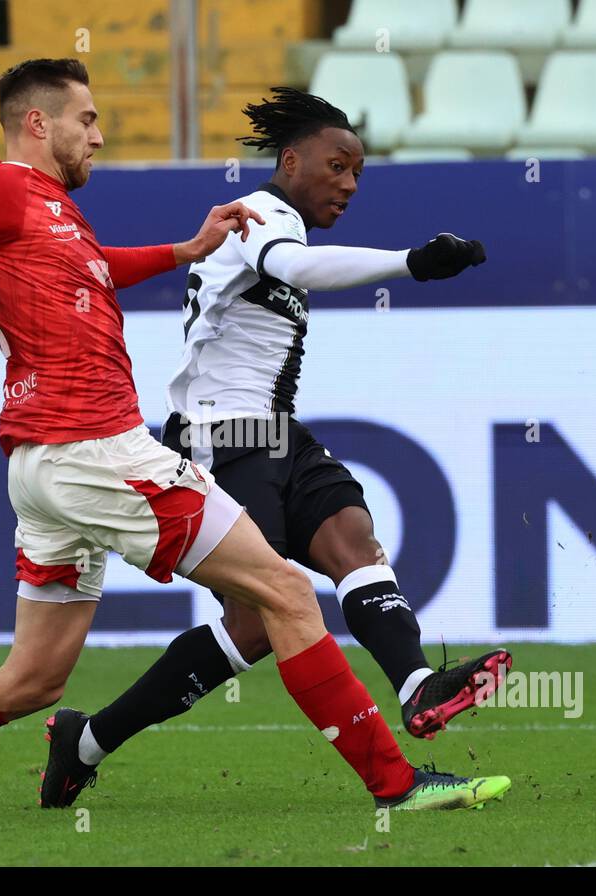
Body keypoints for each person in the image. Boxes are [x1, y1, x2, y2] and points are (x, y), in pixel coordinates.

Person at [0, 61, 508, 816]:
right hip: (96, 451)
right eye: (87, 120)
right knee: (287, 594)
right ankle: (398, 783)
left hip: (43, 469)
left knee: (32, 680)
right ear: (39, 123)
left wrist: (184, 249)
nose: (100, 135)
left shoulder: (50, 211)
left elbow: (97, 266)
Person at [40, 88, 512, 810]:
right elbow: (297, 268)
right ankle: (87, 741)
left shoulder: (279, 223)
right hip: (221, 439)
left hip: (275, 432)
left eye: (358, 171)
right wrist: (410, 262)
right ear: (291, 161)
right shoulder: (259, 218)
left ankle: (418, 686)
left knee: (355, 539)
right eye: (337, 166)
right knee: (259, 621)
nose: (349, 184)